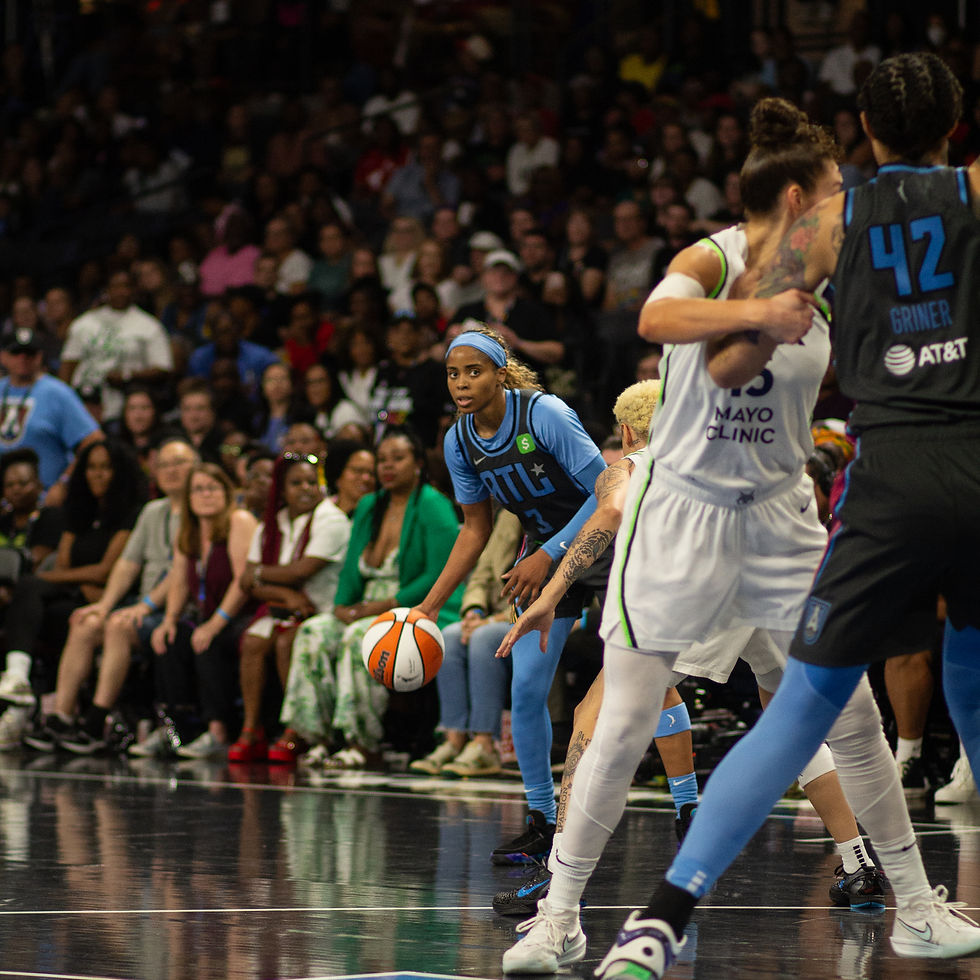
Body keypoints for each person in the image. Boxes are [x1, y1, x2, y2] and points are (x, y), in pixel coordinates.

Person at [594, 54, 980, 978]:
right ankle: (923, 912)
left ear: (865, 131)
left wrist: (772, 319)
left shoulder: (826, 223)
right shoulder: (974, 190)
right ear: (955, 125)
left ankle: (662, 920)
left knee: (801, 710)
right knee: (971, 675)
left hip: (888, 483)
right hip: (975, 462)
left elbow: (728, 363)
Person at [497, 96, 896, 974]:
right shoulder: (711, 265)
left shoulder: (826, 273)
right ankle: (570, 911)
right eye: (835, 187)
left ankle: (887, 879)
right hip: (697, 536)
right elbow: (660, 323)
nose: (845, 201)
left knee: (816, 710)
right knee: (679, 718)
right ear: (797, 195)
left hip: (768, 533)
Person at [412, 324, 608, 863]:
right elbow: (474, 530)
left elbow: (608, 490)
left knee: (645, 680)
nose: (461, 383)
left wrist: (551, 553)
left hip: (612, 541)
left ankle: (685, 804)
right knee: (525, 689)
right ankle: (542, 819)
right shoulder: (458, 441)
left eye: (474, 372)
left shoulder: (544, 414)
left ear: (501, 374)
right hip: (544, 553)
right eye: (453, 374)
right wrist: (429, 607)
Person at [279, 428, 462, 769]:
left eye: (398, 459)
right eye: (382, 460)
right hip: (365, 607)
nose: (387, 466)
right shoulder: (369, 505)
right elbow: (351, 566)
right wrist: (340, 605)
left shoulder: (433, 505)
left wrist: (382, 606)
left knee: (358, 638)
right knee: (313, 631)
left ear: (418, 464)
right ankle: (316, 736)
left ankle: (362, 742)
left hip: (419, 609)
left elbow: (439, 573)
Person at [40, 437, 198, 755]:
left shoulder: (200, 511)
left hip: (181, 608)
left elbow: (182, 570)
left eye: (179, 463)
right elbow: (128, 564)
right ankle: (61, 718)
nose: (171, 471)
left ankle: (95, 724)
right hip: (144, 605)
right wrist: (104, 604)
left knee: (118, 626)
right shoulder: (152, 511)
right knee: (86, 622)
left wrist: (145, 606)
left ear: (197, 466)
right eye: (164, 464)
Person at [17, 440, 147, 748]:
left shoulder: (133, 512)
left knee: (33, 587)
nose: (97, 474)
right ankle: (56, 714)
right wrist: (78, 582)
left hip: (114, 599)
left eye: (106, 467)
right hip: (80, 595)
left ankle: (24, 676)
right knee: (31, 596)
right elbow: (65, 564)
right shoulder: (79, 510)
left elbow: (105, 571)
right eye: (91, 467)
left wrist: (52, 577)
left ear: (120, 472)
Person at [230, 452, 351, 761]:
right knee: (253, 641)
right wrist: (285, 595)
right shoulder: (273, 523)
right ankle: (251, 729)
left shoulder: (331, 519)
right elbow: (246, 582)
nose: (306, 489)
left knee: (287, 642)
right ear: (282, 490)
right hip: (286, 608)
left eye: (312, 482)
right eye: (296, 483)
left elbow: (300, 571)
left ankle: (298, 730)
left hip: (323, 611)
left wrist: (260, 573)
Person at [146, 463, 258, 759]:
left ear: (226, 492)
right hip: (208, 616)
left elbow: (242, 581)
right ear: (188, 497)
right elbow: (180, 580)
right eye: (198, 489)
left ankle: (218, 730)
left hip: (242, 615)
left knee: (208, 641)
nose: (205, 494)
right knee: (170, 639)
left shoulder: (239, 520)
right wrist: (169, 620)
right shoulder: (189, 530)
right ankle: (176, 725)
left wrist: (216, 623)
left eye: (212, 488)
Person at [409, 507, 522, 778]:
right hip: (493, 616)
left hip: (532, 617)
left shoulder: (555, 516)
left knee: (483, 637)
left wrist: (492, 620)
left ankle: (484, 744)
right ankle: (454, 739)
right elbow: (482, 574)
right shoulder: (509, 516)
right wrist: (474, 611)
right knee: (450, 635)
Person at [59, 269, 174, 423]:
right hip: (83, 408)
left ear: (134, 290)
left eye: (126, 286)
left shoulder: (149, 326)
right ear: (106, 290)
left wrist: (127, 375)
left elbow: (163, 369)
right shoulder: (84, 324)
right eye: (115, 287)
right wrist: (62, 405)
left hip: (125, 413)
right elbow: (68, 365)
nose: (121, 292)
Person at [0, 325, 102, 497]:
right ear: (3, 356)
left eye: (29, 354)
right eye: (16, 353)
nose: (23, 359)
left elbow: (93, 441)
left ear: (39, 357)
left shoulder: (57, 393)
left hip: (43, 497)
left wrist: (64, 483)